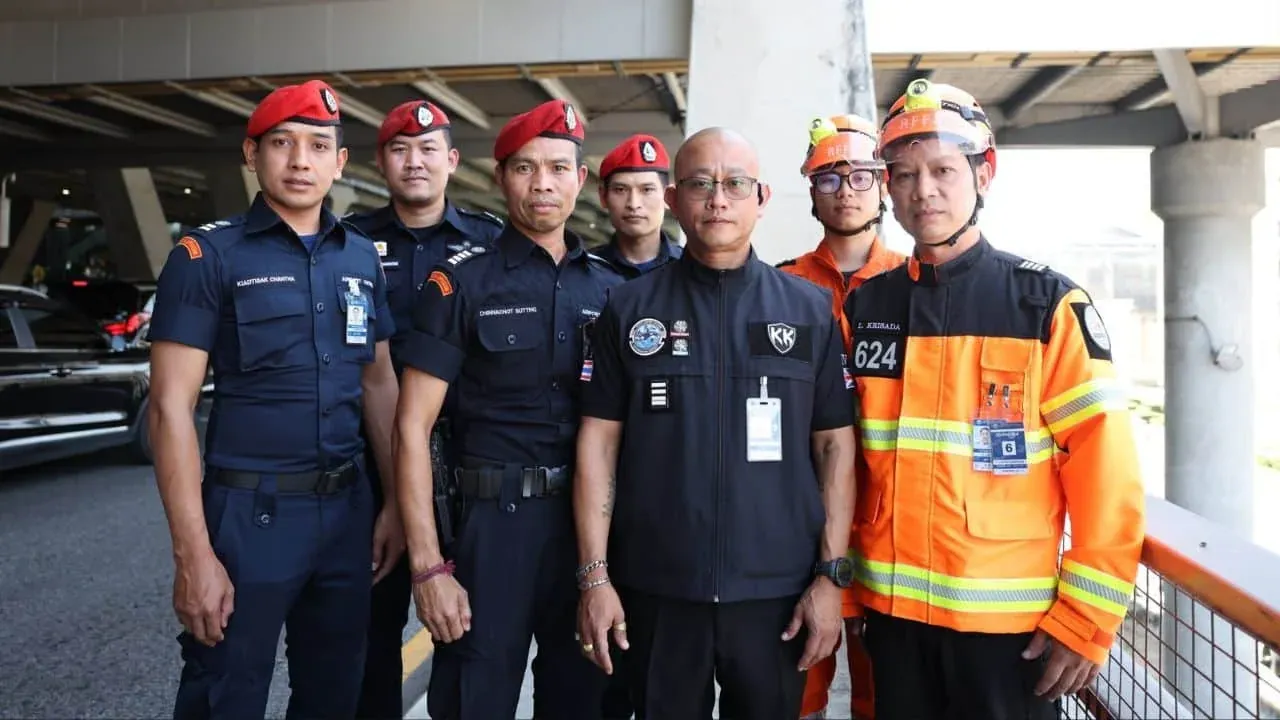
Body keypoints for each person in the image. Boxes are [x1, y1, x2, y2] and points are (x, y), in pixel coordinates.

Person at [843, 77, 1145, 719]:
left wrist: (1086, 618)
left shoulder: (1045, 307)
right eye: (904, 175)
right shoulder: (868, 307)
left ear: (984, 174)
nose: (923, 190)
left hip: (1010, 635)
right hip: (893, 623)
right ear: (887, 187)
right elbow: (846, 462)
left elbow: (1107, 473)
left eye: (943, 170)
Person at [573, 127, 858, 720]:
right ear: (674, 200)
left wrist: (831, 578)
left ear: (762, 197)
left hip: (776, 594)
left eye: (735, 185)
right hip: (657, 590)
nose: (718, 200)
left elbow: (834, 447)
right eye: (701, 184)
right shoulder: (629, 309)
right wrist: (595, 578)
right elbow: (598, 445)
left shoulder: (808, 310)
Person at [147, 79, 401, 719]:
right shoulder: (206, 256)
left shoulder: (360, 258)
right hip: (247, 517)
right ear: (250, 154)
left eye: (318, 146)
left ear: (340, 163)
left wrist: (398, 502)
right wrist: (193, 553)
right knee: (224, 693)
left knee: (335, 694)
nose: (300, 161)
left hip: (347, 513)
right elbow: (170, 407)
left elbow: (378, 384)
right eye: (282, 144)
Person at [394, 98, 623, 719]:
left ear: (581, 179)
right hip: (491, 529)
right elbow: (411, 426)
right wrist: (428, 568)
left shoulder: (612, 290)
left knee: (582, 699)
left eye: (558, 168)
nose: (542, 183)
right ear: (501, 178)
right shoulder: (460, 282)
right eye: (525, 168)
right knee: (476, 699)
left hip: (588, 531)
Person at [344, 99, 502, 720]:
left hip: (469, 463)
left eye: (429, 149)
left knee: (471, 630)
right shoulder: (348, 243)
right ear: (381, 162)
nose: (415, 161)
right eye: (401, 149)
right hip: (371, 457)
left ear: (452, 161)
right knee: (370, 636)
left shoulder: (490, 242)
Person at [782, 113, 906, 720]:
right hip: (800, 518)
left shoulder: (916, 284)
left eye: (860, 177)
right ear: (812, 192)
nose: (846, 191)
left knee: (884, 695)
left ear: (882, 186)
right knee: (795, 688)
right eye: (829, 178)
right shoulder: (781, 286)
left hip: (891, 522)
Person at [592, 133, 683, 279]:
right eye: (620, 190)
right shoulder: (586, 270)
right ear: (603, 197)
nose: (634, 204)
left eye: (647, 190)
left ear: (668, 197)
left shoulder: (691, 269)